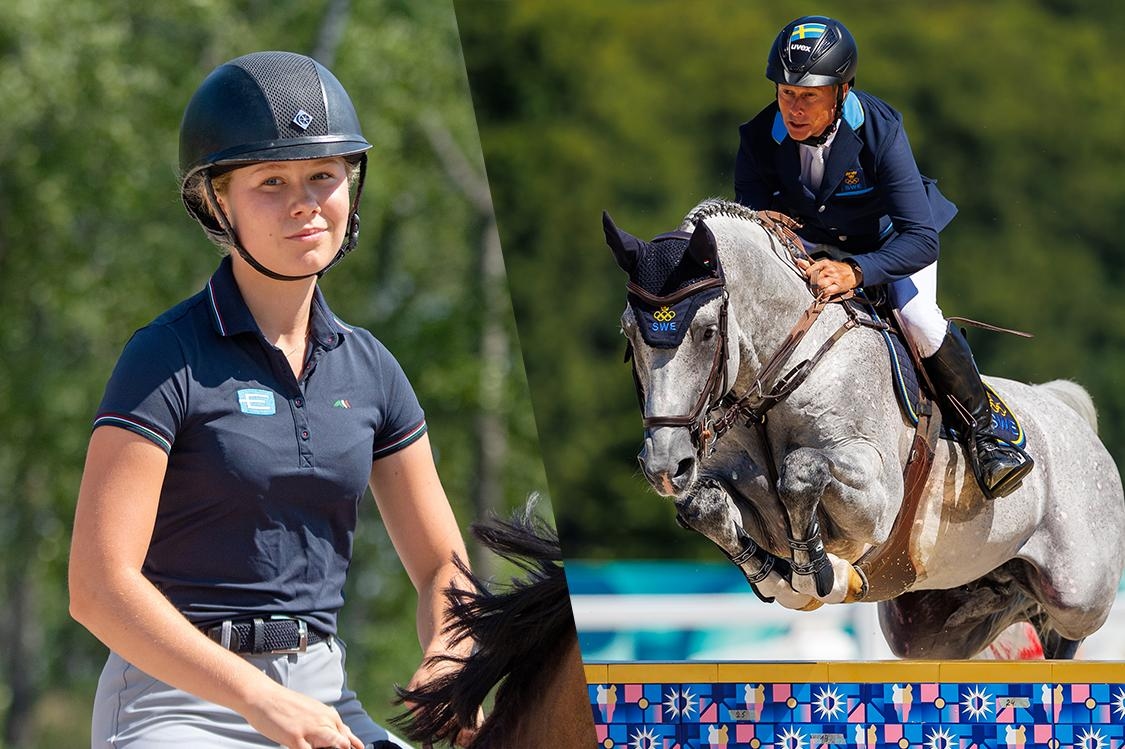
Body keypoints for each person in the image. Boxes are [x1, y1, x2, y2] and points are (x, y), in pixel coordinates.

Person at [68, 51, 478, 748]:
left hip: (322, 695)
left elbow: (443, 564)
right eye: (270, 182)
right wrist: (258, 697)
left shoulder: (372, 371)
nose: (304, 202)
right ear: (217, 201)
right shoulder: (166, 355)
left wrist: (447, 659)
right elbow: (99, 585)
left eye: (324, 175)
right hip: (175, 704)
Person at [733, 16, 1033, 498]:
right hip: (812, 244)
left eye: (809, 95)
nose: (793, 107)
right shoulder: (757, 138)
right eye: (785, 93)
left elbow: (921, 239)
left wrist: (856, 272)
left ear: (843, 90)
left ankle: (987, 435)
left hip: (892, 242)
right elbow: (752, 225)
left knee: (918, 318)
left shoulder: (881, 131)